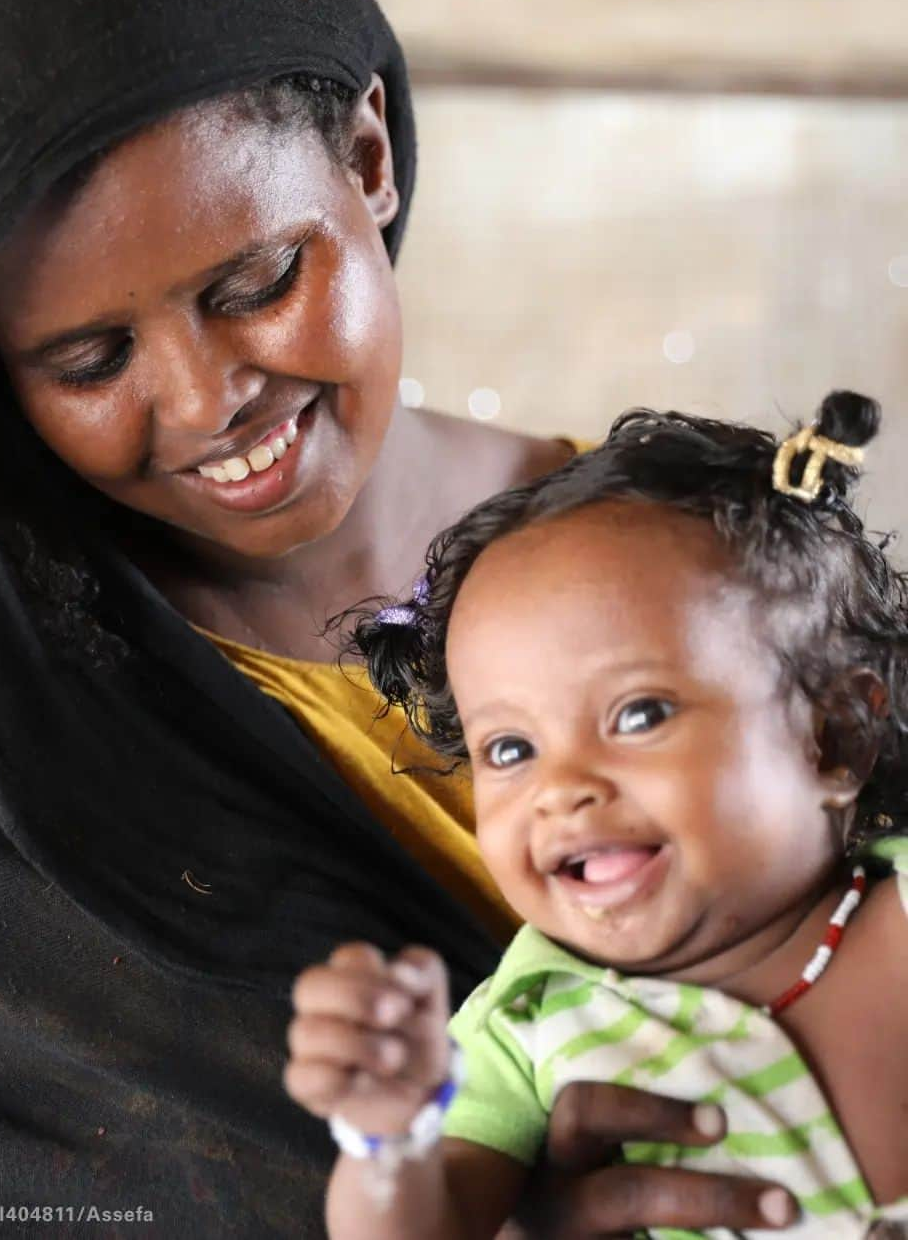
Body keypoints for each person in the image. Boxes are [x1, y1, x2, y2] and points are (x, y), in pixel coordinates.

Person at [0, 0, 814, 1234]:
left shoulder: (700, 555)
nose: (206, 397)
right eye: (90, 361)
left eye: (255, 281)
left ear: (366, 154)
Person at [286, 391, 908, 1239]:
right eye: (510, 750)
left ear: (836, 736)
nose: (561, 787)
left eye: (639, 715)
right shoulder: (531, 1021)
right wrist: (391, 1138)